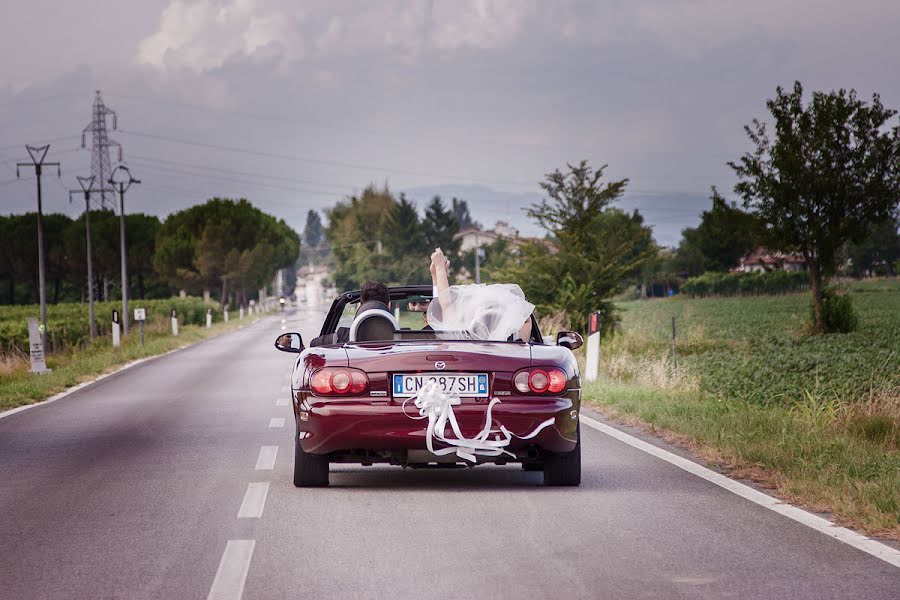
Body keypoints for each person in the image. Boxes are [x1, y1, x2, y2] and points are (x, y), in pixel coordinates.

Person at [428, 248, 534, 341]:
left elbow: (444, 303)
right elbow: (526, 320)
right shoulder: (516, 343)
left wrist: (438, 270)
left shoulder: (458, 339)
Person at [309, 281, 391, 346]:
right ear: (388, 306)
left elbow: (313, 344)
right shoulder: (402, 339)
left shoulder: (340, 337)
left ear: (359, 306)